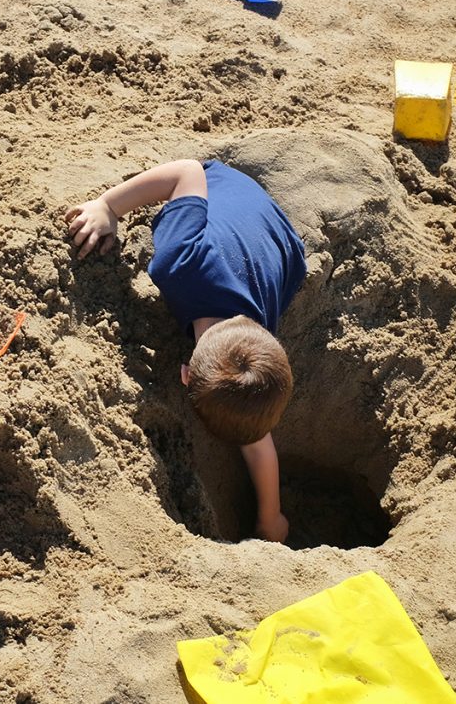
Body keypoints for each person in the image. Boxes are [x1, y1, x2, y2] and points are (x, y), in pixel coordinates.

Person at [65, 158, 306, 542]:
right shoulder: (179, 261)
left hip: (280, 245)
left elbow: (258, 445)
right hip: (221, 188)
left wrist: (270, 517)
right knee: (183, 198)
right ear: (185, 374)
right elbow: (188, 171)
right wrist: (108, 207)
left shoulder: (261, 328)